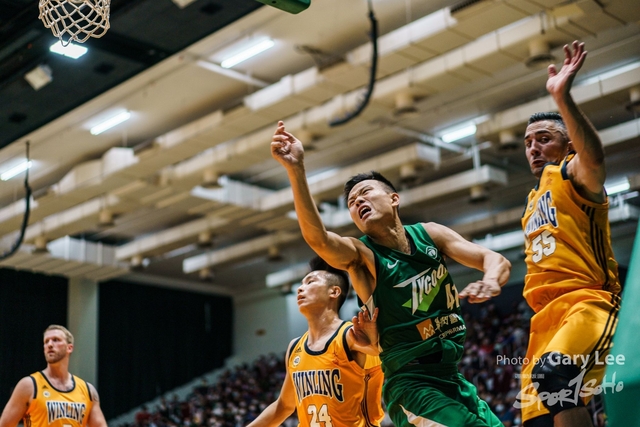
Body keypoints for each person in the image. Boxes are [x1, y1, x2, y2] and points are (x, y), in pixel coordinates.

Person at [270, 122, 512, 426]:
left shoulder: (430, 234)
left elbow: (494, 259)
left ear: (393, 198)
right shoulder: (362, 256)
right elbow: (319, 240)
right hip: (410, 385)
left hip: (451, 377)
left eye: (365, 193)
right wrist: (296, 170)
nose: (358, 202)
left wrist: (490, 280)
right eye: (351, 203)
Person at [518, 41, 622, 427]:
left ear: (566, 144)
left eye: (543, 138)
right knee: (536, 419)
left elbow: (593, 157)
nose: (534, 147)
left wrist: (562, 98)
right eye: (528, 142)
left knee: (554, 376)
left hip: (588, 303)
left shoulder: (572, 174)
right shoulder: (531, 201)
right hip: (544, 318)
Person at [247, 257, 385, 427]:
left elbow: (378, 350)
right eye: (301, 284)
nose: (300, 288)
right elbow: (284, 406)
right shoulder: (295, 347)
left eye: (310, 282)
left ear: (334, 292)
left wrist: (375, 343)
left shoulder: (350, 335)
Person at [0, 325, 108, 427]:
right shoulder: (29, 385)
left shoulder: (88, 391)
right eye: (46, 342)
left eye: (56, 340)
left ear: (69, 348)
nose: (50, 345)